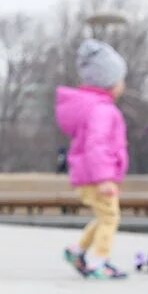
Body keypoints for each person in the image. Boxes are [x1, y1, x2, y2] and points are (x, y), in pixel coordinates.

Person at [56, 39, 130, 280]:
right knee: (110, 217)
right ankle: (98, 260)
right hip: (97, 177)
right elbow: (97, 147)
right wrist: (105, 178)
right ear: (109, 82)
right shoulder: (101, 111)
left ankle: (77, 251)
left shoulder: (97, 108)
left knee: (104, 216)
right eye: (120, 79)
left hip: (91, 176)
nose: (123, 85)